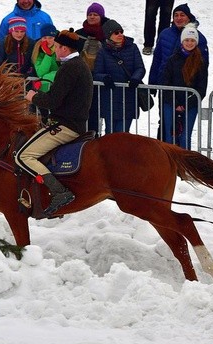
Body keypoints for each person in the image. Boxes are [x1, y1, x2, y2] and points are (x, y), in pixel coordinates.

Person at [14, 29, 93, 215]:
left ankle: (59, 192)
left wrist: (33, 97)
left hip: (66, 126)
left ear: (65, 48)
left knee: (23, 156)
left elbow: (53, 101)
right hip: (73, 122)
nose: (55, 50)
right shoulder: (78, 65)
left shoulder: (69, 67)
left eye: (57, 47)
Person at [93, 19, 146, 134]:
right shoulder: (103, 51)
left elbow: (140, 67)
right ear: (109, 35)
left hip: (128, 97)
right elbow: (96, 73)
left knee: (123, 134)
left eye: (121, 32)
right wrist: (105, 78)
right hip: (110, 98)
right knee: (110, 134)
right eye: (116, 33)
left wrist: (135, 78)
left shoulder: (132, 48)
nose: (120, 35)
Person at [161, 23, 208, 149]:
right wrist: (175, 103)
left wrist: (187, 103)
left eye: (192, 40)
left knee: (185, 136)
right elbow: (166, 83)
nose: (189, 43)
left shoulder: (200, 62)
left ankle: (184, 165)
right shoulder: (172, 59)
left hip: (190, 104)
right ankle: (170, 166)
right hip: (170, 103)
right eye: (187, 40)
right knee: (170, 136)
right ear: (182, 41)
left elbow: (201, 87)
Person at [148, 3, 209, 87]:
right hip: (165, 84)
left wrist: (199, 89)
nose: (178, 18)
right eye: (176, 15)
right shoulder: (164, 34)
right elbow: (157, 59)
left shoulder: (198, 37)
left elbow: (203, 65)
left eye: (182, 15)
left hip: (188, 85)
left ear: (188, 17)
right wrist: (153, 82)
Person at [75, 2, 109, 134]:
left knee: (98, 112)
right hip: (82, 81)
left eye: (95, 14)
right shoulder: (79, 34)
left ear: (101, 16)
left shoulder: (108, 33)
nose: (92, 17)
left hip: (100, 81)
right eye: (90, 14)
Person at [31, 23, 59, 92]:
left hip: (59, 84)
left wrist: (44, 79)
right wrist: (48, 55)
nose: (47, 40)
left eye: (50, 38)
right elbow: (40, 73)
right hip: (45, 86)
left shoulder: (60, 49)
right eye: (44, 38)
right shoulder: (37, 50)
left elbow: (62, 72)